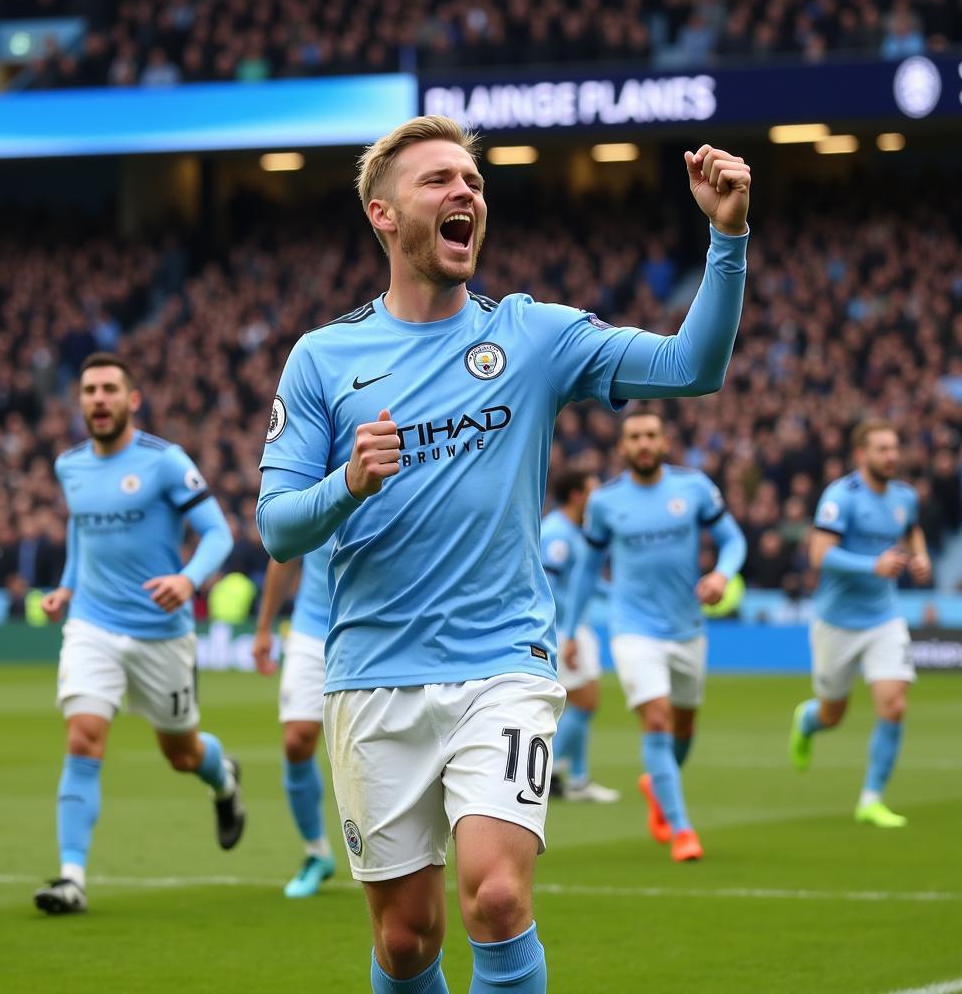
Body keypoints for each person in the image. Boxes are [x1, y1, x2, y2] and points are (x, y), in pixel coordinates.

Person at [256, 115, 750, 993]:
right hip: (371, 674)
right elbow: (277, 526)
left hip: (502, 665)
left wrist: (726, 235)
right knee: (406, 942)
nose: (466, 194)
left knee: (495, 896)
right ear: (382, 214)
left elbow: (691, 367)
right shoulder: (323, 358)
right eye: (439, 181)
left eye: (474, 183)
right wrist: (346, 485)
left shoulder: (533, 335)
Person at [34, 352, 241, 915]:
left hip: (161, 634)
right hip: (92, 626)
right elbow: (82, 536)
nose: (98, 399)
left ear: (133, 400)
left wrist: (188, 578)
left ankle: (223, 779)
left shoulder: (166, 462)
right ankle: (71, 877)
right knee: (82, 737)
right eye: (89, 390)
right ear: (80, 403)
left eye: (108, 389)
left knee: (180, 752)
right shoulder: (70, 466)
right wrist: (67, 587)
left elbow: (219, 533)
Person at [561, 409, 746, 862]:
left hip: (687, 628)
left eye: (651, 436)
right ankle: (683, 831)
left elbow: (734, 540)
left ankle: (657, 784)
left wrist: (722, 575)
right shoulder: (606, 501)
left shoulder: (694, 488)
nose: (643, 443)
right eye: (634, 437)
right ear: (622, 447)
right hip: (633, 630)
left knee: (683, 728)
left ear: (664, 443)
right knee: (658, 721)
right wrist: (568, 630)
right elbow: (586, 570)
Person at [788, 419, 931, 827]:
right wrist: (874, 564)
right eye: (882, 448)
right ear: (861, 455)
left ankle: (871, 799)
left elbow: (911, 530)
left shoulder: (904, 496)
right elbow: (820, 555)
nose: (892, 456)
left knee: (894, 704)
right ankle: (807, 721)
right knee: (833, 713)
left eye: (895, 448)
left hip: (884, 618)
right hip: (837, 621)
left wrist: (919, 557)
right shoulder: (841, 496)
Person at [252, 537, 337, 898]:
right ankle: (316, 852)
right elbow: (284, 552)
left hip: (377, 630)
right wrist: (263, 627)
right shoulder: (310, 481)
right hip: (311, 627)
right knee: (296, 740)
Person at [541, 470, 620, 803]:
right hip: (563, 628)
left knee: (585, 702)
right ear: (576, 495)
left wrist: (614, 591)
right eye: (592, 489)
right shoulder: (557, 533)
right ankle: (543, 772)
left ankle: (576, 778)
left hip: (575, 625)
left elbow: (580, 579)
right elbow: (547, 582)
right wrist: (566, 630)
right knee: (585, 702)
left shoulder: (575, 530)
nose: (598, 495)